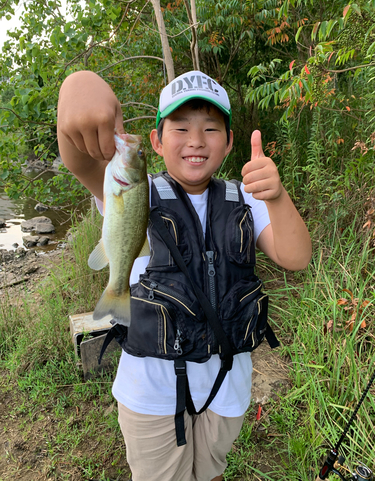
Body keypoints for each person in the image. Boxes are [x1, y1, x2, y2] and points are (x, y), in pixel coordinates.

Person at [57, 69, 312, 481]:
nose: (196, 140)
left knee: (211, 471)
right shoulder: (131, 188)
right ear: (156, 142)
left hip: (226, 385)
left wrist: (277, 196)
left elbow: (296, 257)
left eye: (211, 128)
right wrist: (78, 86)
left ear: (229, 142)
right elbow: (79, 156)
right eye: (180, 127)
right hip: (150, 391)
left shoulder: (246, 198)